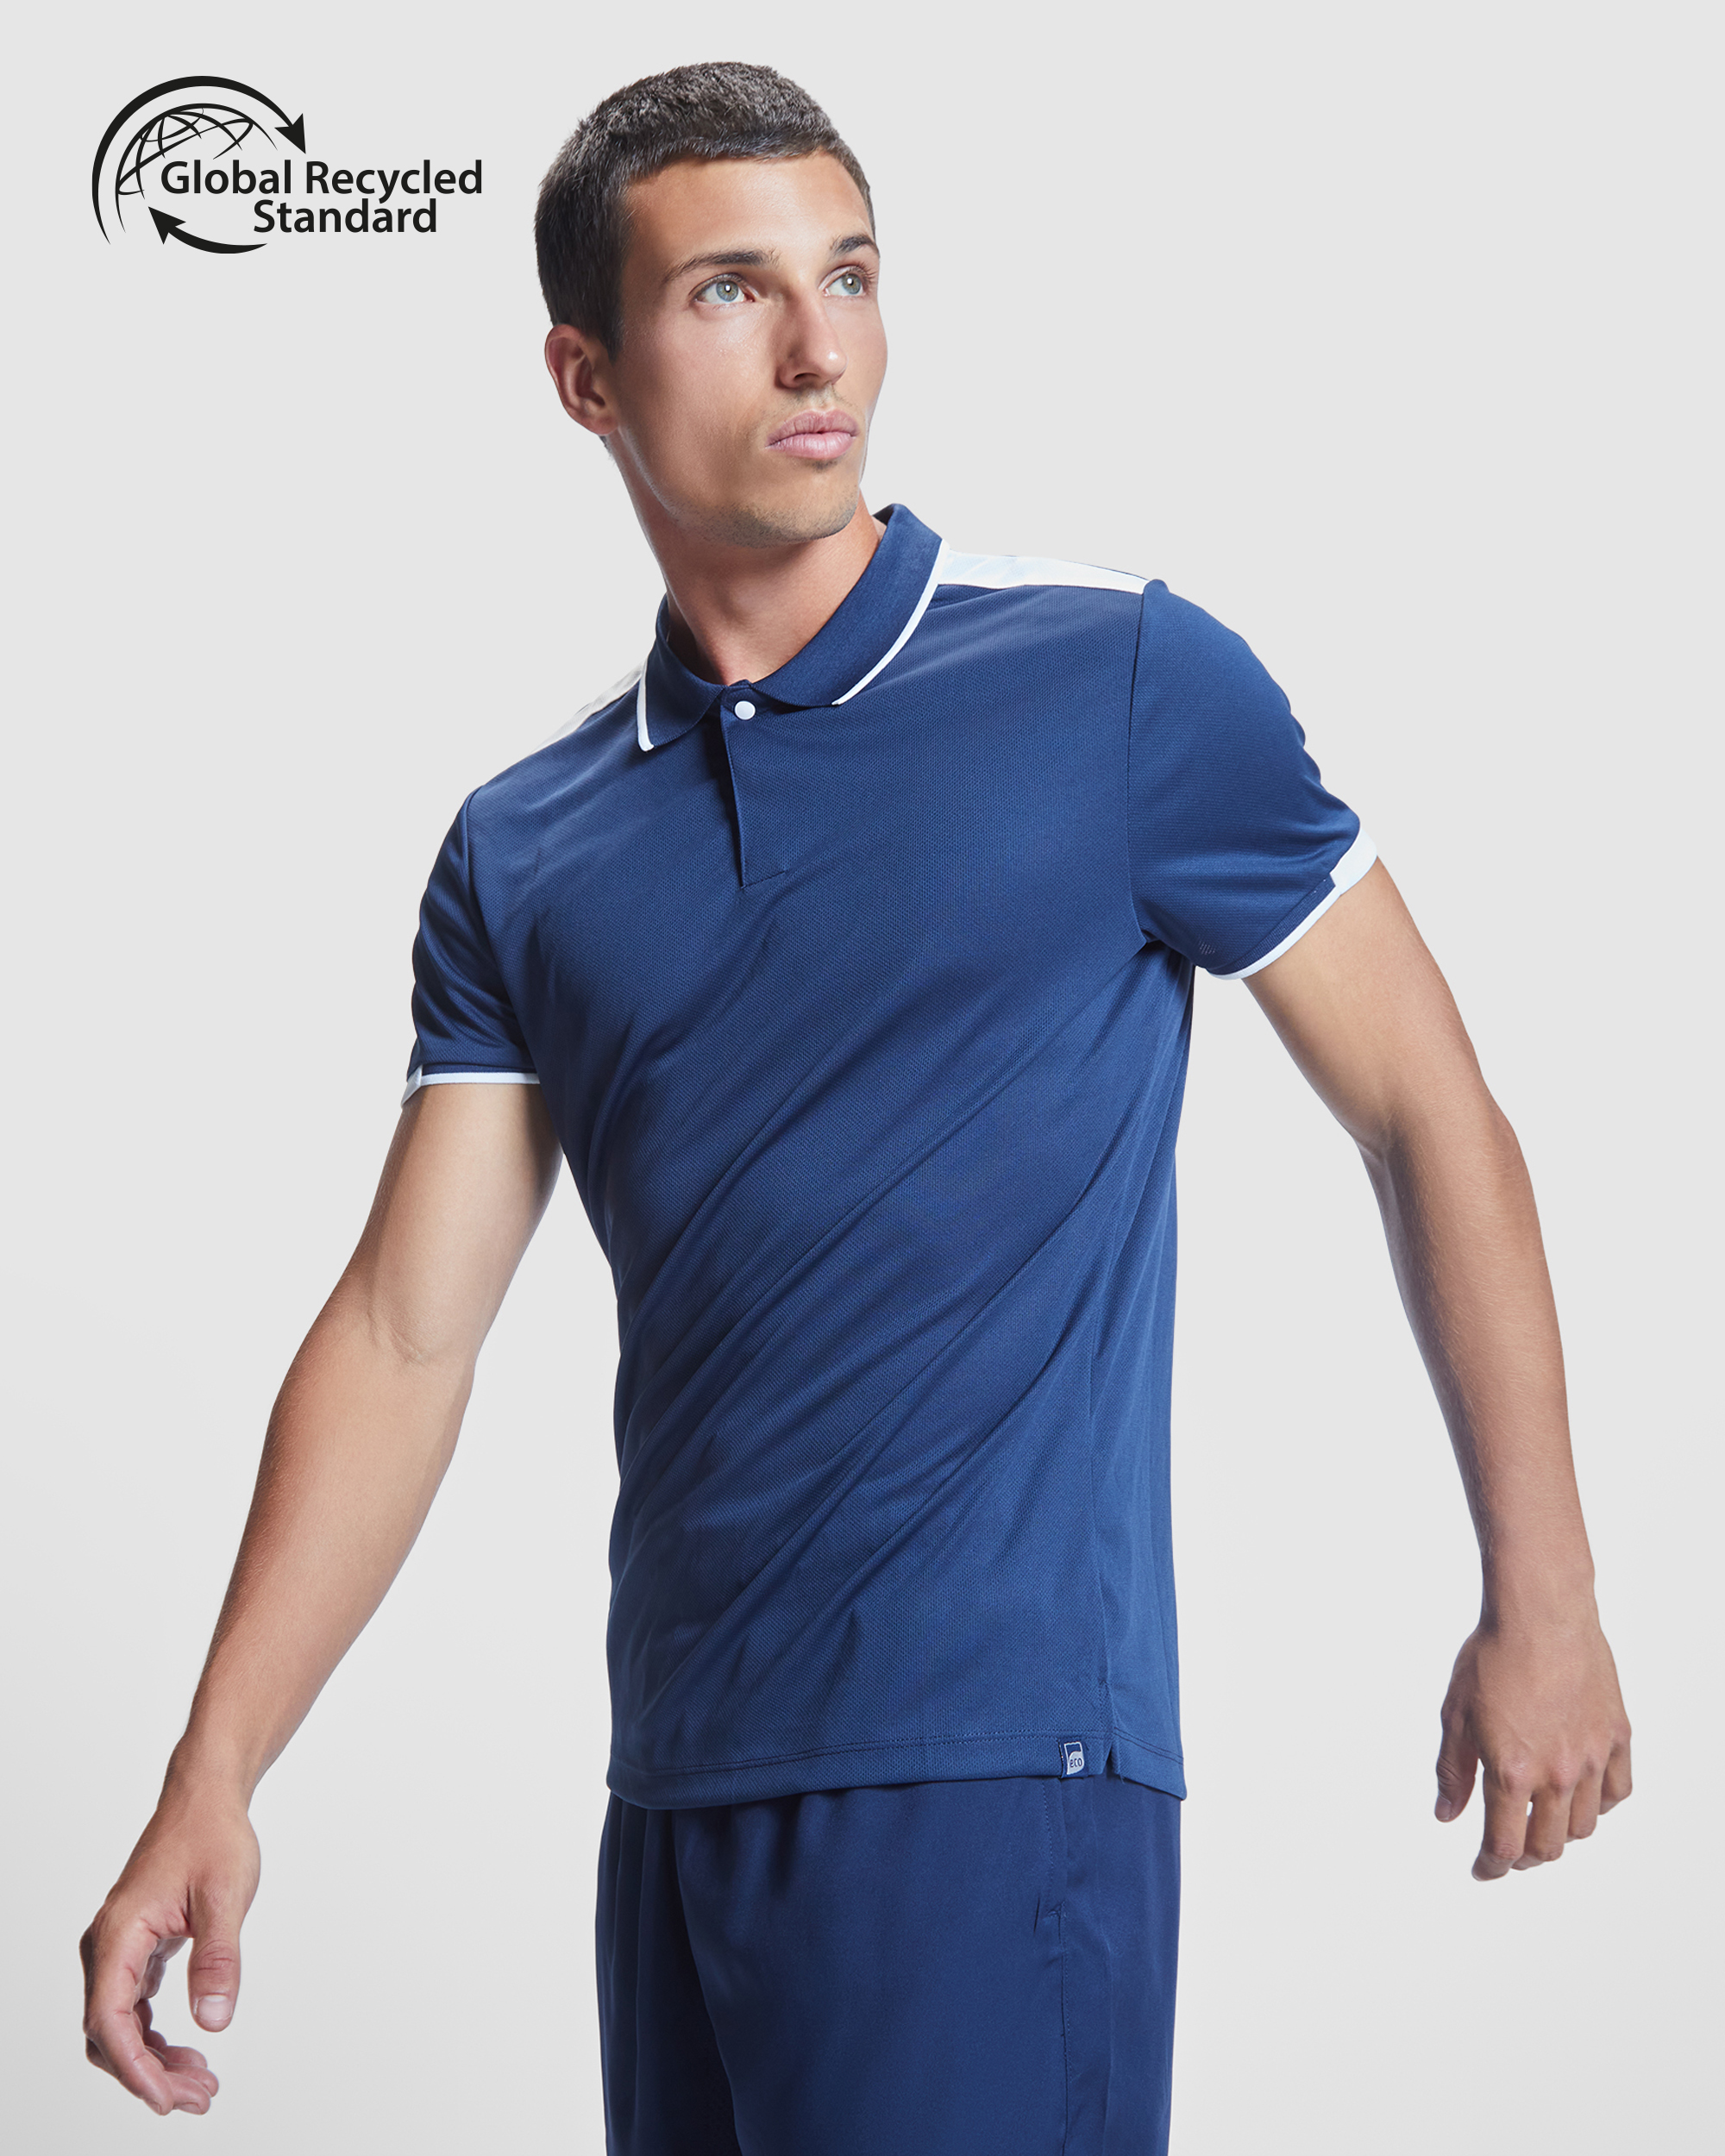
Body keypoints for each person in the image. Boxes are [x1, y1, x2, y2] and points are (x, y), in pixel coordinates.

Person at [79, 60, 1632, 2154]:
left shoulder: (1123, 684)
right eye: (729, 290)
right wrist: (214, 1768)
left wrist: (1544, 1592)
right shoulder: (526, 845)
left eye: (852, 274)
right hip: (677, 1792)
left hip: (996, 1776)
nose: (820, 349)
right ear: (585, 375)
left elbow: (1430, 1111)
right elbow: (403, 1331)